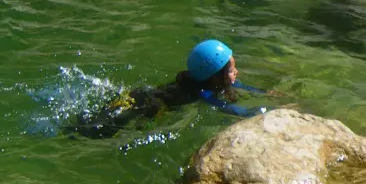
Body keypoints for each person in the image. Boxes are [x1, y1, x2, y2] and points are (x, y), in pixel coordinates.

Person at [72, 39, 278, 139]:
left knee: (103, 116)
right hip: (149, 104)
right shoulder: (203, 93)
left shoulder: (201, 80)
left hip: (142, 93)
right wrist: (262, 113)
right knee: (100, 130)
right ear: (215, 78)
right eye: (232, 70)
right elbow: (231, 110)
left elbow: (241, 86)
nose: (237, 73)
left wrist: (266, 94)